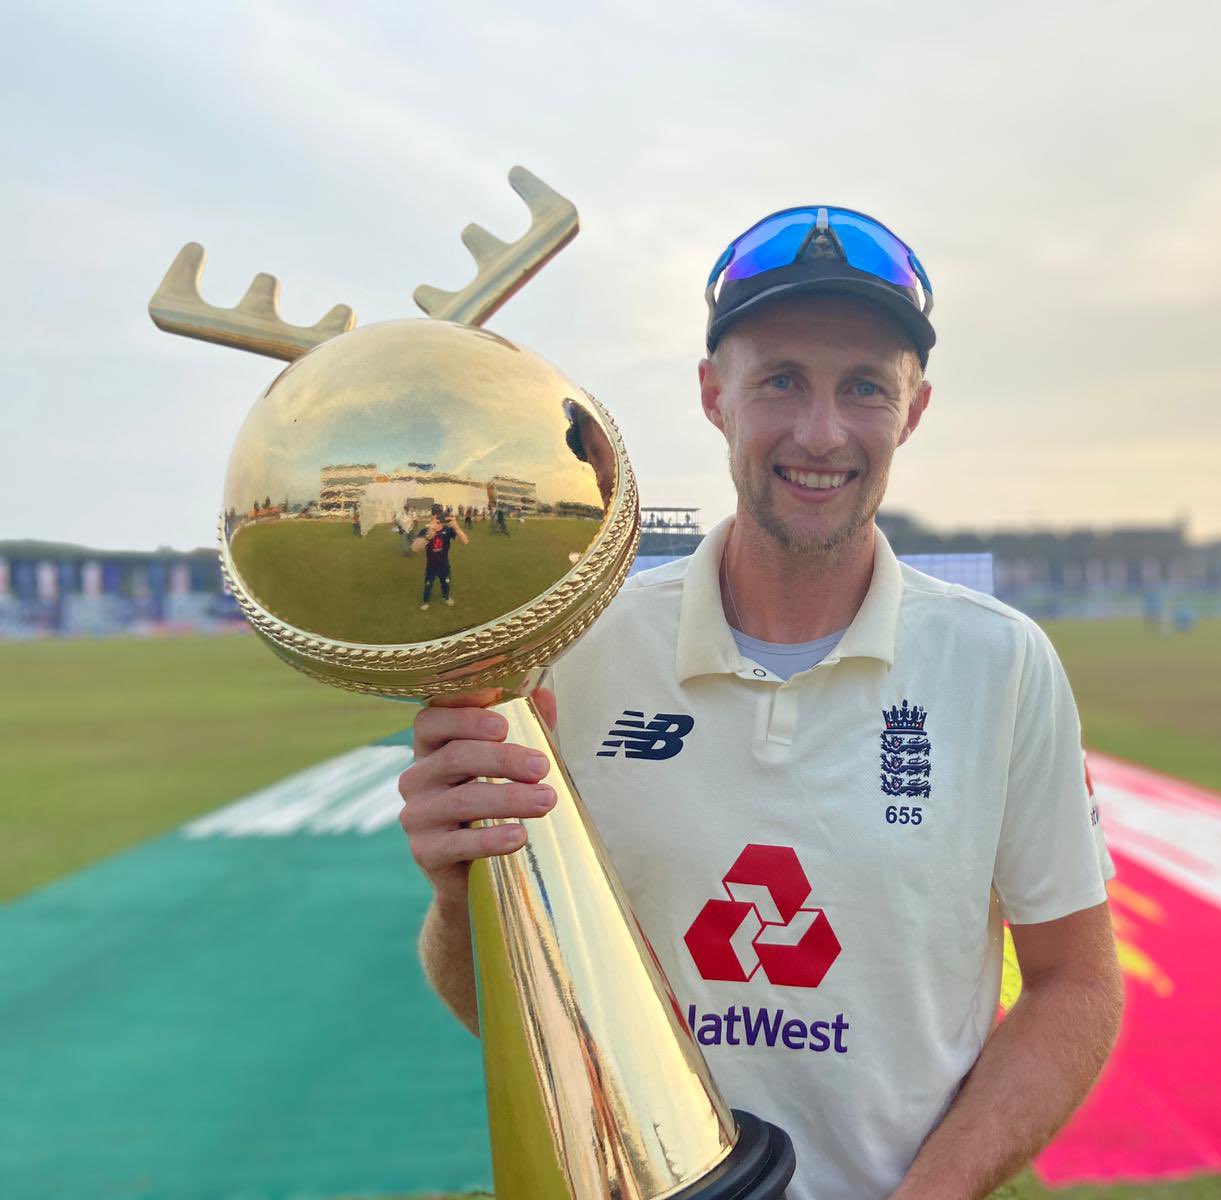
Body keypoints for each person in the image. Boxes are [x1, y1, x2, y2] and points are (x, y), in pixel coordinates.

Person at [398, 206, 1122, 1200]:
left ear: (910, 411)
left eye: (863, 388)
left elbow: (1074, 987)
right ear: (713, 396)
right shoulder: (573, 658)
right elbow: (512, 998)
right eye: (780, 379)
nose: (821, 433)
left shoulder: (1001, 667)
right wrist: (455, 894)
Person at [415, 506, 467, 610]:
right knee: (428, 585)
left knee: (446, 583)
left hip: (444, 565)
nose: (438, 518)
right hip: (431, 566)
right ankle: (426, 601)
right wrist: (429, 535)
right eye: (436, 515)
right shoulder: (425, 531)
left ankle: (446, 597)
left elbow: (465, 541)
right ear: (432, 516)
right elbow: (415, 549)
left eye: (440, 515)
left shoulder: (447, 530)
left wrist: (456, 527)